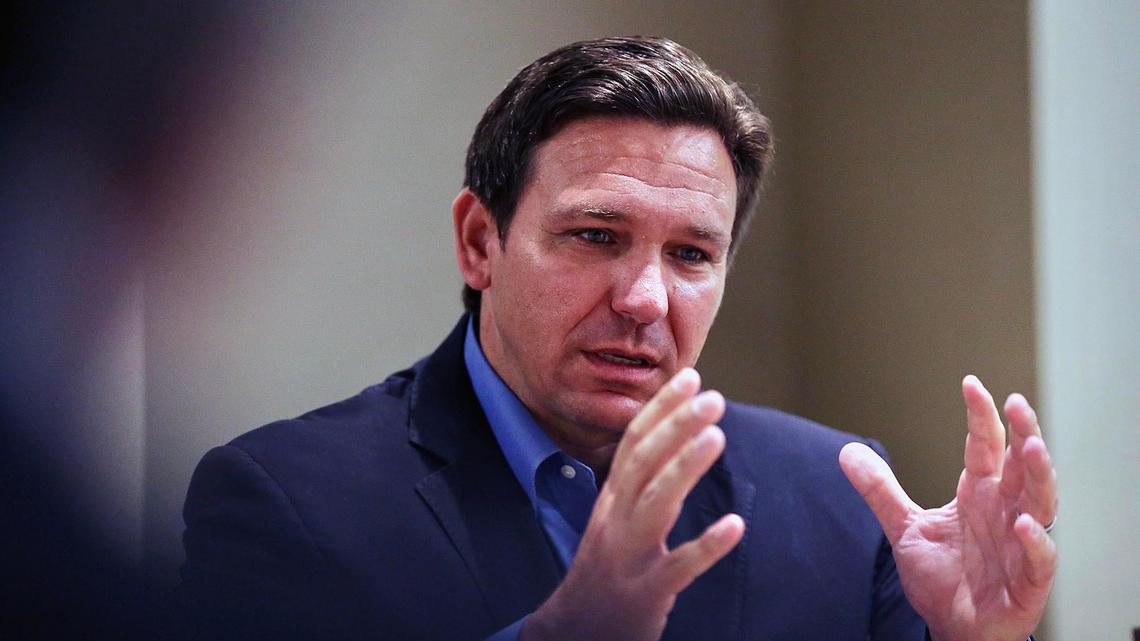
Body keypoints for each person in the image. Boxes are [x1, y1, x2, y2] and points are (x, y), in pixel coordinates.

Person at [179, 36, 1057, 641]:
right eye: (596, 235)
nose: (645, 299)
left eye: (691, 254)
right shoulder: (285, 503)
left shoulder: (836, 500)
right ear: (480, 242)